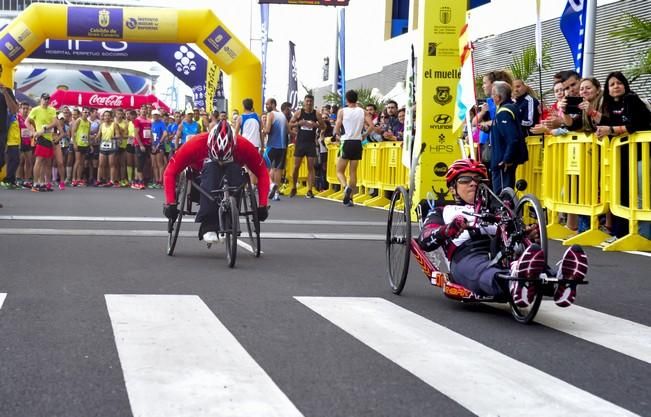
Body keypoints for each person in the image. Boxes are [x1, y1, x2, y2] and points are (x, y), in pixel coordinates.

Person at [416, 158, 589, 307]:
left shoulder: (496, 209)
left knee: (524, 259)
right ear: (453, 187)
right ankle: (516, 282)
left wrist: (526, 236)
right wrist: (449, 229)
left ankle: (561, 281)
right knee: (483, 270)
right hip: (466, 255)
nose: (473, 183)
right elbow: (425, 240)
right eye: (465, 179)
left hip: (500, 250)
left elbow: (512, 235)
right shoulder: (442, 211)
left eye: (479, 179)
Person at [162, 121, 270, 244]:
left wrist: (262, 205)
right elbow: (170, 172)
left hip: (231, 173)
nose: (220, 162)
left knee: (235, 170)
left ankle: (230, 218)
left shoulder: (243, 145)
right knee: (212, 168)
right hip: (202, 178)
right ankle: (208, 225)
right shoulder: (195, 144)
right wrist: (170, 202)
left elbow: (262, 173)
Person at [333, 89, 374, 207]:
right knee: (353, 172)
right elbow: (371, 126)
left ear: (346, 99)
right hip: (357, 142)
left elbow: (337, 126)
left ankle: (346, 187)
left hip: (346, 141)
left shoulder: (342, 111)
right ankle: (350, 199)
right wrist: (364, 135)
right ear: (356, 99)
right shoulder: (363, 111)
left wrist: (336, 135)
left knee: (339, 170)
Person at [489, 81, 528, 193]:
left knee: (502, 196)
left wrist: (507, 159)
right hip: (504, 159)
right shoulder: (509, 108)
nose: (491, 97)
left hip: (503, 163)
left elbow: (512, 138)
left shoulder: (504, 112)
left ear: (498, 97)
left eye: (493, 94)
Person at [288, 94, 325, 198]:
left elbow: (324, 126)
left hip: (310, 143)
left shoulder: (316, 114)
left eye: (310, 101)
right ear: (304, 102)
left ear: (313, 102)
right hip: (300, 143)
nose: (309, 103)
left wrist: (315, 125)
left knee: (311, 167)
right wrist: (299, 124)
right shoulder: (299, 113)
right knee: (296, 167)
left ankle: (309, 190)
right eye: (307, 101)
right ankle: (294, 187)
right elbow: (290, 124)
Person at [28, 93, 59, 192]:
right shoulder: (35, 109)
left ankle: (42, 183)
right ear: (41, 99)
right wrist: (33, 132)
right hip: (41, 138)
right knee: (39, 161)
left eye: (48, 99)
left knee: (46, 162)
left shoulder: (52, 110)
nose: (46, 101)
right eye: (45, 99)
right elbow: (26, 121)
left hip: (49, 138)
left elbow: (54, 122)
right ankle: (35, 184)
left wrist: (44, 129)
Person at [263, 98, 289, 201]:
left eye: (268, 104)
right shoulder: (282, 115)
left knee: (264, 167)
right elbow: (288, 130)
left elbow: (268, 130)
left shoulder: (271, 115)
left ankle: (271, 185)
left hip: (272, 145)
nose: (266, 106)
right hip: (282, 147)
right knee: (278, 170)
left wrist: (263, 127)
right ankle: (276, 193)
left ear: (273, 104)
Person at [71, 107, 91, 186]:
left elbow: (88, 134)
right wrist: (74, 143)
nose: (86, 113)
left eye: (87, 112)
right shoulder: (79, 120)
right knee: (77, 161)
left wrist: (89, 144)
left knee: (82, 162)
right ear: (82, 113)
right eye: (84, 112)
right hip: (78, 143)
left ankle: (79, 179)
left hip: (85, 144)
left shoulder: (89, 122)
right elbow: (73, 131)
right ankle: (73, 179)